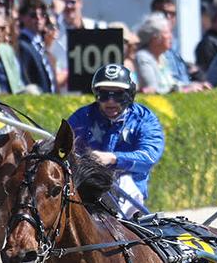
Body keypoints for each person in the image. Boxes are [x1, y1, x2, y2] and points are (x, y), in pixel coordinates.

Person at [66, 64, 165, 217]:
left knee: (125, 180)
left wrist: (113, 159)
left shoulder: (145, 119)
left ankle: (128, 222)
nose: (110, 101)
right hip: (85, 186)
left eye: (118, 95)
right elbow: (63, 146)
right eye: (104, 95)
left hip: (127, 192)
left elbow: (149, 157)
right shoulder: (83, 116)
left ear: (129, 95)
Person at [16, 0, 55, 94]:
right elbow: (25, 78)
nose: (39, 18)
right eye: (33, 15)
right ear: (22, 17)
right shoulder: (22, 45)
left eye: (43, 14)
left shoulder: (41, 42)